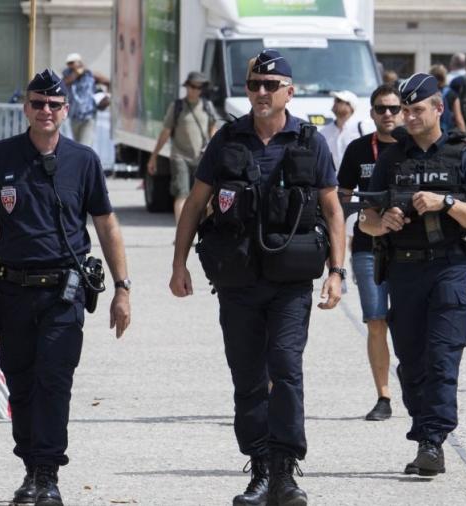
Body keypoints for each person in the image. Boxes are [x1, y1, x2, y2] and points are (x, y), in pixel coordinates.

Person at [169, 49, 345, 506]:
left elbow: (332, 208)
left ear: (290, 90)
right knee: (247, 376)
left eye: (271, 85)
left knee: (285, 370)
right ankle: (261, 469)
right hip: (239, 281)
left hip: (290, 283)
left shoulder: (310, 141)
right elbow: (195, 203)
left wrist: (337, 272)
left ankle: (286, 471)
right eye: (254, 85)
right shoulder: (228, 140)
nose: (262, 92)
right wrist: (178, 264)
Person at [0, 69, 132, 506]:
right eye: (38, 103)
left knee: (54, 381)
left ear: (66, 109)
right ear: (26, 107)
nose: (45, 111)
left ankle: (47, 472)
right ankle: (30, 469)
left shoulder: (83, 160)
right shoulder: (1, 156)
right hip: (14, 289)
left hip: (64, 291)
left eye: (54, 105)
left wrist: (122, 288)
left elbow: (107, 225)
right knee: (20, 381)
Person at [358, 73, 466, 477]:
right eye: (405, 110)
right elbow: (364, 220)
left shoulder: (462, 156)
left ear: (438, 108)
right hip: (403, 270)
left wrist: (447, 202)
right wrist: (384, 222)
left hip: (449, 267)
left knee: (442, 357)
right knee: (412, 362)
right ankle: (424, 431)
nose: (409, 117)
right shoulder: (391, 158)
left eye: (417, 110)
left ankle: (431, 441)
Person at [337, 83, 403, 422]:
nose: (388, 114)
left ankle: (408, 370)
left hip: (410, 248)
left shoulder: (414, 149)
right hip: (368, 246)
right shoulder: (359, 149)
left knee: (408, 322)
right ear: (372, 112)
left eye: (394, 108)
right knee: (376, 320)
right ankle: (384, 396)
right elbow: (341, 199)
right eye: (381, 108)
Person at [147, 71, 218, 226]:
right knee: (182, 194)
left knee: (205, 196)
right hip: (180, 157)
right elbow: (165, 132)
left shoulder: (207, 106)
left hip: (201, 157)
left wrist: (215, 150)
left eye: (198, 87)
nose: (194, 90)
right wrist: (154, 156)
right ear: (187, 87)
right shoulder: (177, 106)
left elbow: (213, 129)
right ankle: (182, 231)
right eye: (192, 86)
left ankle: (205, 230)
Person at [62, 53, 111, 147]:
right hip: (74, 117)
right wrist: (76, 74)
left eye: (74, 63)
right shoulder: (67, 76)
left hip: (89, 116)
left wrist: (107, 96)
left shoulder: (91, 75)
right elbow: (63, 85)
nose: (72, 65)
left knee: (85, 145)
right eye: (70, 63)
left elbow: (108, 82)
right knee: (77, 146)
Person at [321, 90, 365, 170]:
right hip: (332, 181)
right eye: (335, 100)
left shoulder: (362, 129)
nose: (335, 103)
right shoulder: (324, 131)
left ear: (350, 106)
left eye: (339, 100)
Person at [430, 64, 466, 135]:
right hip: (447, 133)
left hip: (430, 132)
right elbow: (458, 118)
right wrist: (465, 136)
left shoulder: (426, 93)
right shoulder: (451, 94)